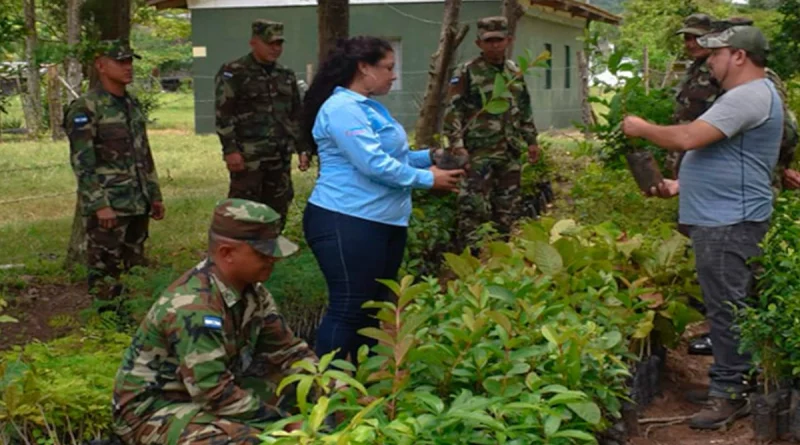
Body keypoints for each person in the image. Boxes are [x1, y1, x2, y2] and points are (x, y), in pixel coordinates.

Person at [622, 26, 783, 430]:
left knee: (727, 310)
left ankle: (730, 394)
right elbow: (728, 157)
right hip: (723, 216)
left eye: (716, 53)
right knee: (726, 307)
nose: (708, 60)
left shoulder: (748, 95)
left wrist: (642, 129)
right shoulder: (744, 96)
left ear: (740, 56)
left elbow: (690, 137)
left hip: (729, 221)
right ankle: (730, 382)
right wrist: (681, 184)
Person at [300, 36, 464, 363]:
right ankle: (325, 389)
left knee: (373, 309)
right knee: (348, 307)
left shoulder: (368, 106)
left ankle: (365, 387)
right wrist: (429, 179)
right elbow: (373, 164)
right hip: (345, 219)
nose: (394, 75)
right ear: (363, 68)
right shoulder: (342, 109)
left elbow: (390, 155)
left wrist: (429, 156)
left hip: (382, 222)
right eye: (388, 68)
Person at [112, 199, 315, 444]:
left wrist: (336, 388)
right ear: (226, 253)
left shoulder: (254, 293)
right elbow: (213, 393)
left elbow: (288, 352)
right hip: (154, 410)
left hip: (204, 395)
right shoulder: (193, 307)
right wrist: (284, 424)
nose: (273, 259)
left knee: (308, 396)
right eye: (263, 253)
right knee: (248, 440)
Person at [65, 39, 165, 302]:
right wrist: (99, 204)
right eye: (120, 62)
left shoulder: (131, 105)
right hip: (110, 206)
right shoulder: (86, 108)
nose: (128, 67)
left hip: (137, 201)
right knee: (105, 272)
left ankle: (130, 320)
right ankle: (105, 324)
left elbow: (143, 153)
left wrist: (154, 194)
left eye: (130, 61)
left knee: (135, 269)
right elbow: (82, 162)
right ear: (101, 66)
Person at [443, 16, 541, 252]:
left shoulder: (514, 71)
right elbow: (452, 111)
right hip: (478, 153)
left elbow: (524, 107)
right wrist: (457, 145)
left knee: (507, 207)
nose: (494, 45)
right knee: (474, 207)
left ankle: (501, 258)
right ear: (479, 43)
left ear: (508, 40)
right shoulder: (467, 72)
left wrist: (531, 140)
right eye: (489, 41)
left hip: (509, 151)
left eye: (499, 40)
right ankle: (470, 258)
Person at [215, 20, 310, 232]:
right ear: (254, 42)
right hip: (249, 157)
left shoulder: (286, 75)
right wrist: (230, 150)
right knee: (243, 208)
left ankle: (270, 250)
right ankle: (239, 253)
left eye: (279, 44)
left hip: (279, 155)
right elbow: (223, 114)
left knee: (278, 205)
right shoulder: (234, 72)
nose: (275, 49)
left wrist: (303, 148)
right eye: (270, 43)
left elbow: (295, 115)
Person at [665, 13, 722, 180]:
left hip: (708, 159)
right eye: (687, 38)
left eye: (697, 38)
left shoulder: (720, 71)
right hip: (685, 155)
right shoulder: (694, 69)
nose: (691, 44)